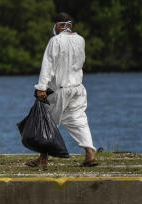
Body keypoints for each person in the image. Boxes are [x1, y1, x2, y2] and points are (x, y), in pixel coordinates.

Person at [29, 12, 97, 169]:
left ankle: (42, 159)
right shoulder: (81, 40)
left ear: (58, 25)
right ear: (70, 25)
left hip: (61, 89)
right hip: (78, 88)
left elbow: (48, 65)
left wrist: (41, 88)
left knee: (48, 122)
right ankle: (90, 153)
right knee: (78, 119)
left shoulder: (55, 41)